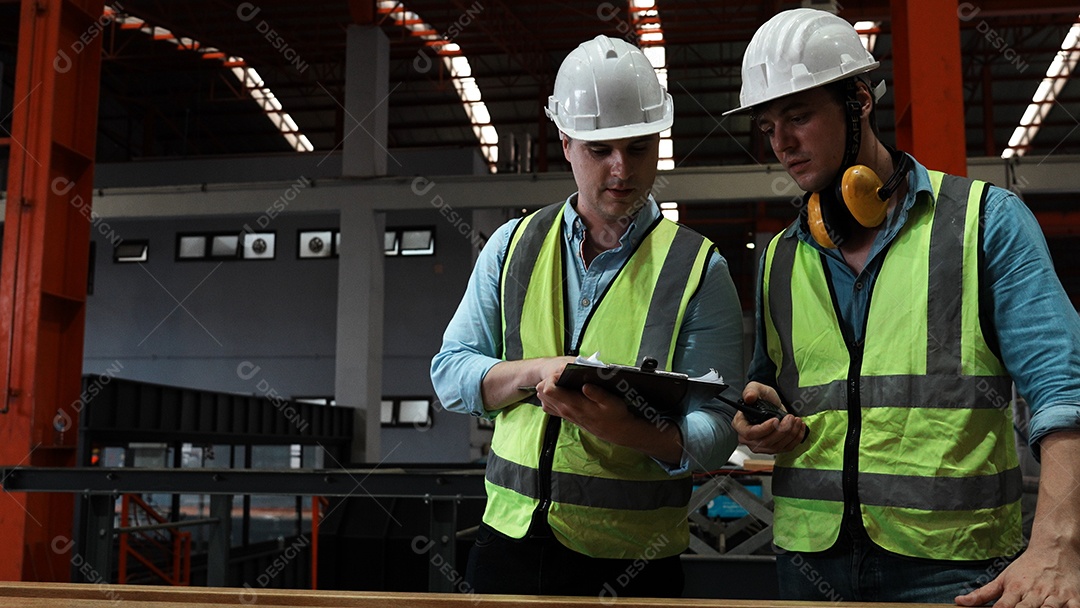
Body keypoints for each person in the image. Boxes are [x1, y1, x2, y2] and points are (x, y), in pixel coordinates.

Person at [724, 7, 1080, 606]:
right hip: (811, 561)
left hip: (954, 566)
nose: (782, 143)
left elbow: (1065, 386)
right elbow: (769, 387)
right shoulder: (781, 257)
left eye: (798, 116)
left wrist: (1057, 545)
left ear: (859, 101)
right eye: (767, 126)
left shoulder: (983, 222)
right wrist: (758, 421)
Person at [430, 34, 745, 599]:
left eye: (640, 147)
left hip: (632, 561)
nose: (622, 169)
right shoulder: (514, 246)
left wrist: (622, 428)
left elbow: (717, 431)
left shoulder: (699, 267)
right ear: (567, 142)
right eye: (601, 150)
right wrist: (539, 370)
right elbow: (451, 374)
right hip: (509, 545)